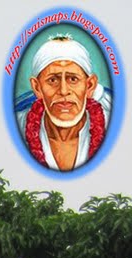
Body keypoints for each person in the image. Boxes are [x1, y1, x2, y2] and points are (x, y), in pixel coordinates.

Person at [20, 35, 111, 171]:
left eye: (73, 79)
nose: (63, 91)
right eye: (52, 80)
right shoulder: (19, 126)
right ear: (37, 88)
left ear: (89, 86)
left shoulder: (111, 126)